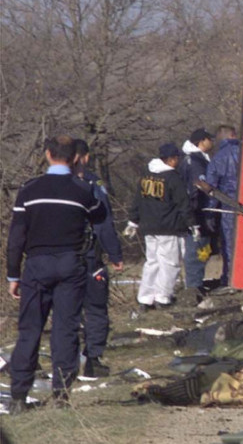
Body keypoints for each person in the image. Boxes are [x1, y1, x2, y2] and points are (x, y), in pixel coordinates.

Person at [6, 136, 107, 413]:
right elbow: (100, 216)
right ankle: (61, 395)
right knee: (65, 329)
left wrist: (13, 275)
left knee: (30, 330)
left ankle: (18, 397)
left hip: (36, 265)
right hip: (70, 264)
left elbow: (16, 237)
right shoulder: (83, 190)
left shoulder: (30, 190)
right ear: (76, 158)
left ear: (48, 155)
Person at [72, 139, 123, 378]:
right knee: (95, 307)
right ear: (84, 157)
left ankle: (66, 360)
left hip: (56, 257)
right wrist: (114, 253)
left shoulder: (44, 185)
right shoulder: (92, 183)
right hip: (89, 255)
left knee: (64, 309)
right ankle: (92, 358)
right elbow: (103, 221)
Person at [125, 143, 195, 310]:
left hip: (148, 227)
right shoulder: (172, 178)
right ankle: (163, 298)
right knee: (169, 264)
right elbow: (183, 203)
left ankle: (145, 298)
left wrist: (133, 221)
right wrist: (193, 224)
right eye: (176, 158)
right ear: (171, 160)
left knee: (152, 262)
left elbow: (137, 200)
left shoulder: (146, 175)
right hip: (168, 227)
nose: (178, 161)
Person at [179, 128, 214, 300]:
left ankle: (197, 282)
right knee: (197, 248)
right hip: (198, 212)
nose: (212, 143)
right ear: (201, 141)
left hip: (198, 211)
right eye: (209, 139)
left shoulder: (195, 159)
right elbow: (197, 187)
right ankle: (194, 286)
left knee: (203, 248)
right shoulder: (195, 162)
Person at [205, 125, 241, 287]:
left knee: (229, 244)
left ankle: (230, 279)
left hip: (228, 207)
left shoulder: (217, 159)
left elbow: (211, 189)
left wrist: (210, 214)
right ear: (233, 135)